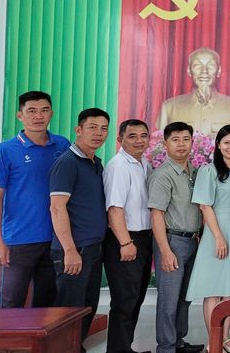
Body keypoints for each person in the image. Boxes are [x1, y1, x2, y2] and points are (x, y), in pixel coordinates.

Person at [0, 91, 70, 308]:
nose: (38, 116)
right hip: (18, 240)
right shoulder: (5, 150)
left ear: (51, 114)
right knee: (10, 303)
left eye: (44, 110)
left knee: (47, 304)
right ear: (20, 115)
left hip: (55, 239)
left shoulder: (62, 145)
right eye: (31, 111)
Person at [187, 125, 230, 353]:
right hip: (218, 233)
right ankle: (214, 341)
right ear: (218, 145)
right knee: (214, 289)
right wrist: (218, 237)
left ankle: (226, 340)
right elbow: (205, 207)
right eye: (226, 142)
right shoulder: (209, 171)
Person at [48, 108, 110, 347]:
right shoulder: (67, 163)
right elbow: (57, 208)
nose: (98, 133)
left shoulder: (96, 163)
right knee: (69, 311)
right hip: (74, 250)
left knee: (87, 307)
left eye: (103, 128)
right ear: (78, 130)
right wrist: (70, 250)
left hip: (92, 248)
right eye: (92, 127)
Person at [148, 122, 205, 353]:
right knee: (169, 300)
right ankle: (166, 347)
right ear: (165, 144)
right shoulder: (163, 175)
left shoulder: (195, 172)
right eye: (175, 140)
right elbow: (156, 214)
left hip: (193, 241)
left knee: (185, 297)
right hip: (172, 242)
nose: (181, 144)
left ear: (192, 142)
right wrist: (165, 251)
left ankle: (179, 342)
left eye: (186, 139)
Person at [102, 119, 153, 353]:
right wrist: (125, 242)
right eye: (132, 136)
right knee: (124, 300)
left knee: (135, 297)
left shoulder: (144, 163)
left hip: (142, 238)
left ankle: (125, 348)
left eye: (143, 135)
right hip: (124, 238)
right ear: (120, 139)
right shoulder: (119, 166)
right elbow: (114, 208)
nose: (139, 140)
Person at [156, 47, 230, 137]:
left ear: (219, 71)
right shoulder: (169, 107)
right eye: (197, 66)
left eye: (210, 65)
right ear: (189, 71)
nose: (204, 71)